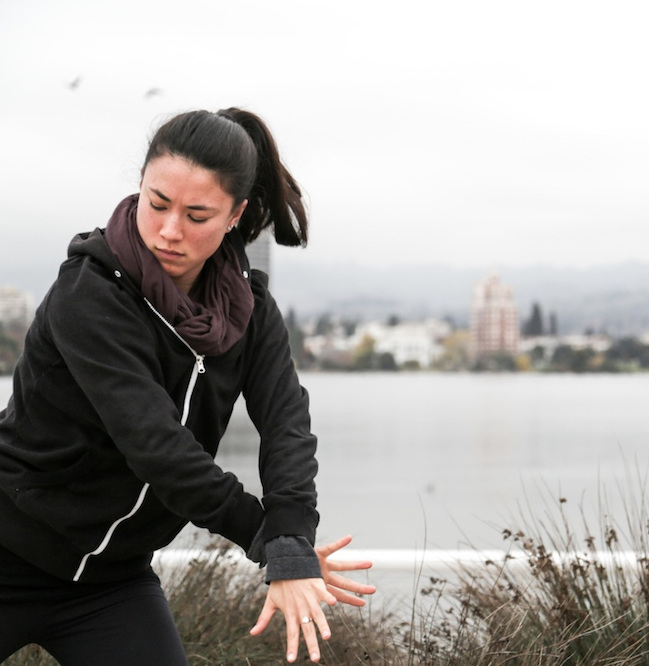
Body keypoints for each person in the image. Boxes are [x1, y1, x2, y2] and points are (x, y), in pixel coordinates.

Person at [0, 108, 375, 664]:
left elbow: (287, 424)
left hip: (110, 582)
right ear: (140, 188)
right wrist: (268, 540)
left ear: (235, 215)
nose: (170, 230)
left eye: (197, 215)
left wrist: (292, 537)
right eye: (157, 204)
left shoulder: (251, 310)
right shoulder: (90, 292)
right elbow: (158, 449)